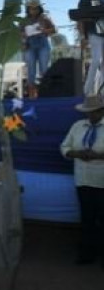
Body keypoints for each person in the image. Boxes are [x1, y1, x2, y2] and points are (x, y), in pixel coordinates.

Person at [60, 95, 104, 266]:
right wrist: (77, 154)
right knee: (87, 218)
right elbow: (64, 147)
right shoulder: (77, 126)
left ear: (101, 111)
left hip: (102, 180)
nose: (91, 115)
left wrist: (98, 156)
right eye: (88, 112)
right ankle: (87, 254)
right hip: (83, 180)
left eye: (94, 112)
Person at [20, 0, 56, 99]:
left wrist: (44, 30)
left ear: (39, 9)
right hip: (29, 45)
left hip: (43, 44)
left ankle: (46, 93)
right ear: (28, 9)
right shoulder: (24, 21)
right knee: (31, 70)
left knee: (44, 69)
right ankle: (32, 95)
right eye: (31, 8)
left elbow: (54, 30)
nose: (34, 10)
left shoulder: (44, 18)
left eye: (36, 8)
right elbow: (19, 33)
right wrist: (24, 35)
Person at [77, 0, 104, 96]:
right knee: (96, 60)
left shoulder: (101, 1)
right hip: (94, 33)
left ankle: (102, 92)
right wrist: (82, 37)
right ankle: (86, 91)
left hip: (102, 33)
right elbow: (80, 19)